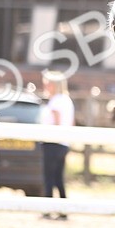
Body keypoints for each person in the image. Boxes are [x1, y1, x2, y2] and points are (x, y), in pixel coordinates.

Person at [39, 70, 74, 220]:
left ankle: (48, 209)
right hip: (63, 143)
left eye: (48, 84)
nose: (46, 86)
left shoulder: (56, 101)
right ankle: (63, 209)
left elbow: (57, 121)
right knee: (59, 178)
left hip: (53, 142)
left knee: (49, 177)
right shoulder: (67, 100)